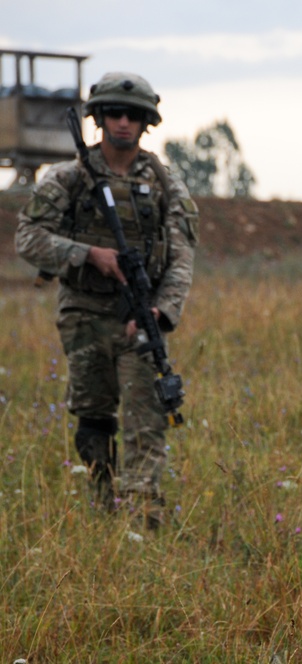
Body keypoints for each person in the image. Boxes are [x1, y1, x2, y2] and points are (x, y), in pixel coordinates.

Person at [15, 72, 199, 530]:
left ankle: (143, 518)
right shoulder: (69, 177)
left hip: (141, 317)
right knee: (94, 415)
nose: (122, 122)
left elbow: (181, 256)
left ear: (146, 122)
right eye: (114, 113)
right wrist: (88, 255)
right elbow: (28, 238)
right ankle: (101, 504)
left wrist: (161, 310)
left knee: (147, 416)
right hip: (85, 316)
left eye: (132, 115)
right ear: (98, 118)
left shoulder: (163, 182)